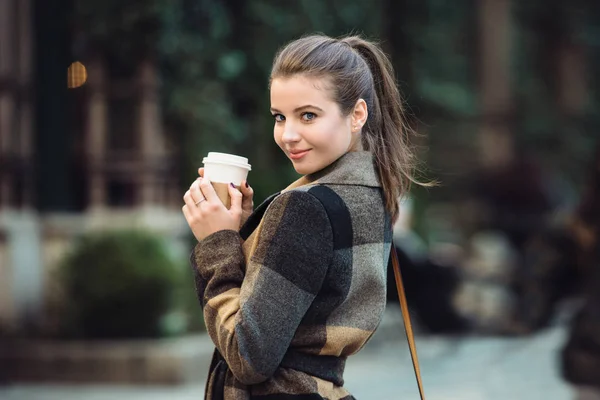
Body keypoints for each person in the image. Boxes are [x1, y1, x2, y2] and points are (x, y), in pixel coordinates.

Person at [182, 33, 427, 399]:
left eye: (308, 115)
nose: (288, 134)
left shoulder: (306, 208)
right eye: (279, 117)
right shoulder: (373, 194)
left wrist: (217, 245)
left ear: (357, 114)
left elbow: (247, 356)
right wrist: (249, 235)